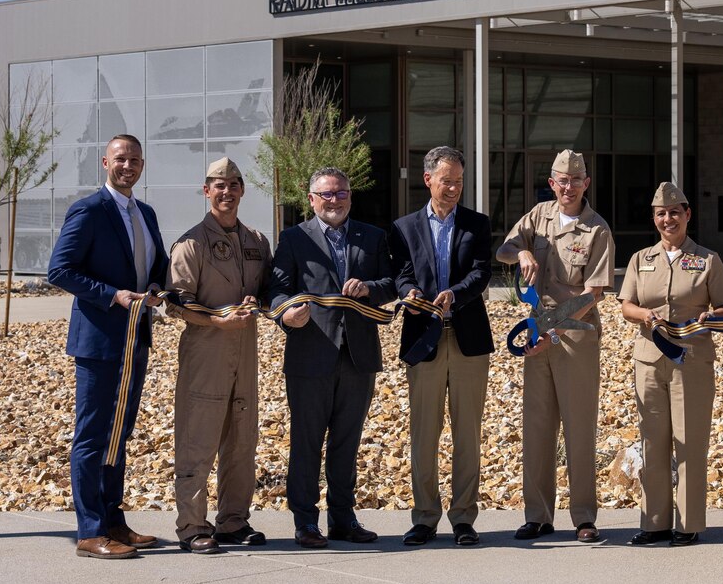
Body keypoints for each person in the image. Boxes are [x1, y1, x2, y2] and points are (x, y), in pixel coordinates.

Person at [47, 134, 168, 560]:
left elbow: (158, 265)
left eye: (135, 159)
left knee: (120, 433)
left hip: (136, 338)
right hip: (99, 341)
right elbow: (59, 270)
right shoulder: (88, 210)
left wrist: (155, 285)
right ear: (105, 162)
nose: (128, 166)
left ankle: (114, 520)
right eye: (120, 159)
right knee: (93, 434)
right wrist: (111, 294)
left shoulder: (146, 212)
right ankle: (90, 530)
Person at [270, 166, 395, 549]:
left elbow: (391, 283)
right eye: (326, 194)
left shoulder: (372, 237)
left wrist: (369, 288)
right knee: (306, 441)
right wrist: (287, 315)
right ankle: (305, 521)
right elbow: (275, 292)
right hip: (311, 354)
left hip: (358, 356)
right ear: (311, 200)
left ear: (350, 197)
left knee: (347, 441)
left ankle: (343, 518)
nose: (334, 200)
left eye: (341, 193)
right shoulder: (293, 238)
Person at [496, 149, 615, 544]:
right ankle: (538, 516)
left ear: (586, 183)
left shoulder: (597, 229)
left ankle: (583, 517)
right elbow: (504, 250)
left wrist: (552, 331)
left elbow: (593, 294)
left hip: (573, 336)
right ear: (552, 183)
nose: (568, 187)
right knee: (537, 428)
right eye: (561, 181)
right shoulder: (538, 216)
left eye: (575, 180)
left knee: (579, 429)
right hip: (537, 334)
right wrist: (524, 251)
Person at [618, 182, 723, 547]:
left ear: (687, 215)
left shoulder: (708, 259)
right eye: (661, 214)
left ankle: (688, 523)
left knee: (689, 441)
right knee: (652, 440)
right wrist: (645, 314)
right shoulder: (641, 259)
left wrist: (706, 317)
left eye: (674, 213)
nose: (668, 219)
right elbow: (626, 306)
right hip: (650, 360)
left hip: (691, 360)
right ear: (654, 219)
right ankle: (654, 522)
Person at [388, 146, 494, 548]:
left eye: (459, 181)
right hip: (423, 340)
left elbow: (482, 272)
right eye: (446, 180)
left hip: (467, 338)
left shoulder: (477, 224)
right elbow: (400, 273)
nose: (453, 188)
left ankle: (464, 518)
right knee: (423, 433)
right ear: (427, 179)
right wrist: (409, 290)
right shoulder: (403, 227)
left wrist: (455, 294)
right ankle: (425, 518)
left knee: (467, 432)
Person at [165, 157, 272, 554]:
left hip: (245, 352)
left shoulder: (257, 241)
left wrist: (255, 301)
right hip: (206, 351)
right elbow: (175, 304)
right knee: (198, 440)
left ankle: (233, 521)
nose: (226, 192)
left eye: (233, 184)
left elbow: (268, 291)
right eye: (217, 185)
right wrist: (217, 321)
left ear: (243, 190)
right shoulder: (191, 243)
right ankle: (192, 526)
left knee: (242, 440)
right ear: (206, 191)